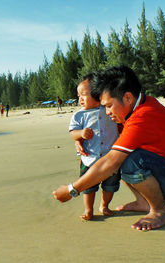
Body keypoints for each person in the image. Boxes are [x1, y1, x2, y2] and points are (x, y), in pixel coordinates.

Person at [53, 65, 165, 231]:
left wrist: (71, 190)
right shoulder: (141, 105)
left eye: (109, 105)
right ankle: (143, 202)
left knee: (128, 158)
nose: (107, 112)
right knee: (124, 152)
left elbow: (110, 162)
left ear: (127, 98)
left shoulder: (142, 117)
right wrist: (79, 139)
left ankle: (161, 211)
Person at [69, 74, 120, 220]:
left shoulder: (108, 110)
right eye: (78, 95)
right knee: (88, 186)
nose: (80, 99)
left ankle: (104, 205)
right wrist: (80, 134)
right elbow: (72, 133)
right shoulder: (79, 115)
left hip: (110, 157)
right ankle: (88, 210)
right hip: (89, 158)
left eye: (84, 95)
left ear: (98, 94)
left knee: (110, 186)